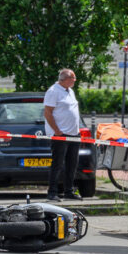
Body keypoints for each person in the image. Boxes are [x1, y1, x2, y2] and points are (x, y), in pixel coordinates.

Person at [43, 68, 82, 202]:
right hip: (60, 134)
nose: (75, 81)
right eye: (73, 78)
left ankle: (68, 191)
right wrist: (57, 130)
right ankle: (52, 192)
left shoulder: (70, 91)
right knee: (57, 164)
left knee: (72, 163)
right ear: (65, 79)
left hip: (73, 133)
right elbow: (47, 112)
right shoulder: (53, 91)